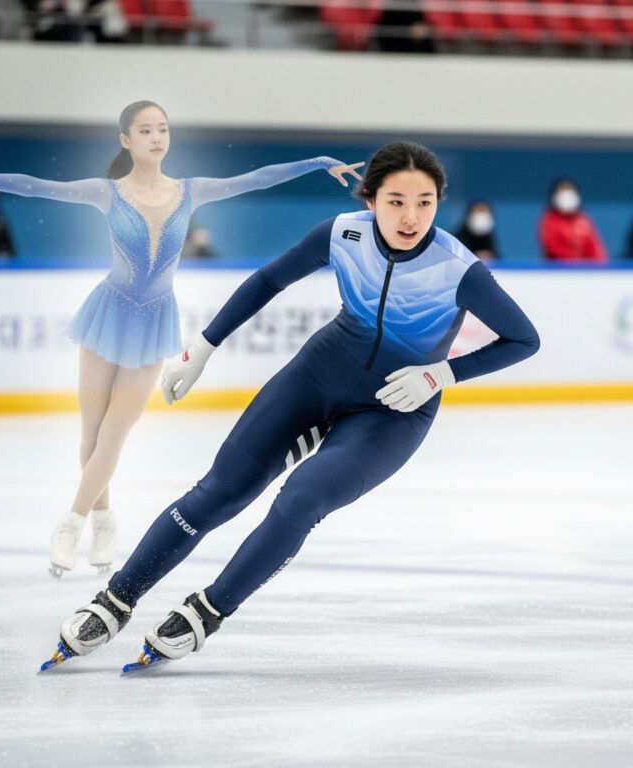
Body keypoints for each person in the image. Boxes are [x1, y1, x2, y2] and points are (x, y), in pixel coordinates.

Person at [40, 141, 540, 672]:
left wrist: (442, 373)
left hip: (394, 410)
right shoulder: (341, 234)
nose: (411, 217)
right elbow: (269, 280)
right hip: (320, 373)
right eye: (396, 202)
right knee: (220, 491)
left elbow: (524, 339)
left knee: (302, 498)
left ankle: (208, 611)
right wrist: (204, 346)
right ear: (370, 199)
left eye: (425, 203)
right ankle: (115, 600)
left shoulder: (458, 268)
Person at [0, 100, 363, 579]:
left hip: (154, 321)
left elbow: (257, 179)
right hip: (108, 312)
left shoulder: (190, 191)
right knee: (92, 431)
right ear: (126, 140)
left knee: (115, 432)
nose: (156, 137)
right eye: (146, 130)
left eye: (162, 129)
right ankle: (104, 521)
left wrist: (318, 162)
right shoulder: (105, 192)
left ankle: (72, 522)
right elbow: (35, 186)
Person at [539, 178, 607, 263]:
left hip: (586, 269)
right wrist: (575, 265)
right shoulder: (549, 220)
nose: (567, 196)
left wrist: (598, 265)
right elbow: (555, 249)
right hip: (559, 269)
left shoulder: (584, 219)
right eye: (562, 192)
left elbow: (596, 250)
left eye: (570, 191)